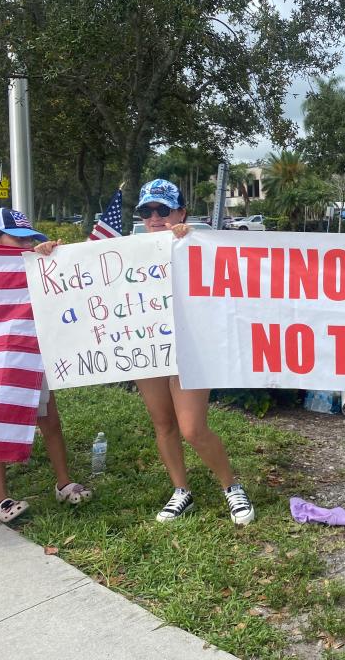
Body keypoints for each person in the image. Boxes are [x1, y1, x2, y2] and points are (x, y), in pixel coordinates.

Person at [133, 179, 255, 525]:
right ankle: (180, 490)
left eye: (163, 210)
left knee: (192, 428)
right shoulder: (132, 248)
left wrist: (191, 235)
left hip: (191, 345)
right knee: (162, 423)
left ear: (181, 212)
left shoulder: (194, 241)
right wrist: (51, 252)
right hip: (147, 345)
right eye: (147, 211)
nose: (155, 217)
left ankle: (231, 486)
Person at [0, 208, 93, 523]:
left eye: (29, 240)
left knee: (49, 418)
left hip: (28, 353)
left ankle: (63, 482)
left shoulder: (30, 265)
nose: (25, 246)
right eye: (17, 240)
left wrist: (46, 254)